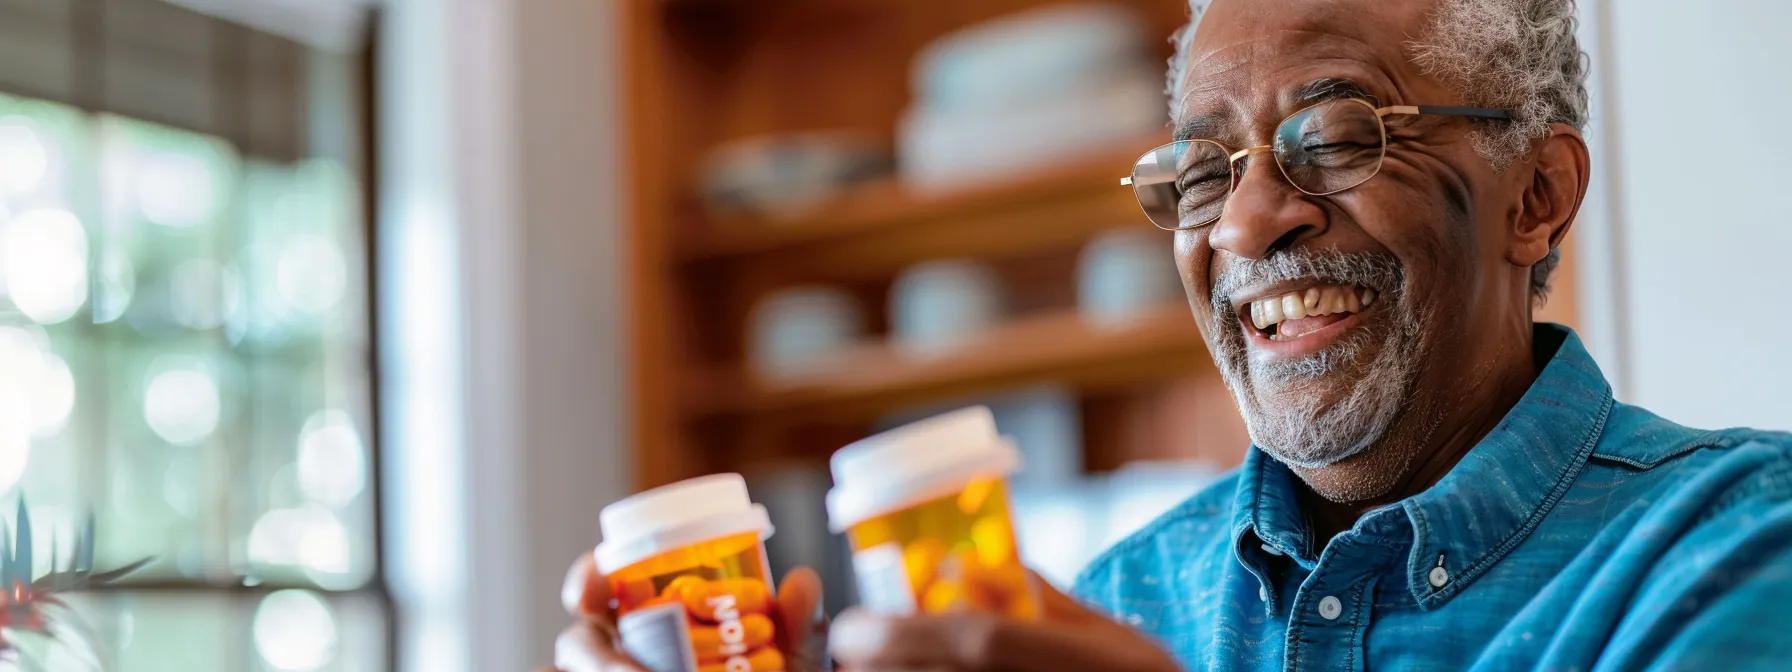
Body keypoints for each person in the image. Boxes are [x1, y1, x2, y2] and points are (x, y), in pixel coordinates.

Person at [548, 0, 1792, 669]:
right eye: (1201, 165)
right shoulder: (1117, 603)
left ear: (1536, 195)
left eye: (1339, 130)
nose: (1246, 215)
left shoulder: (1734, 551)